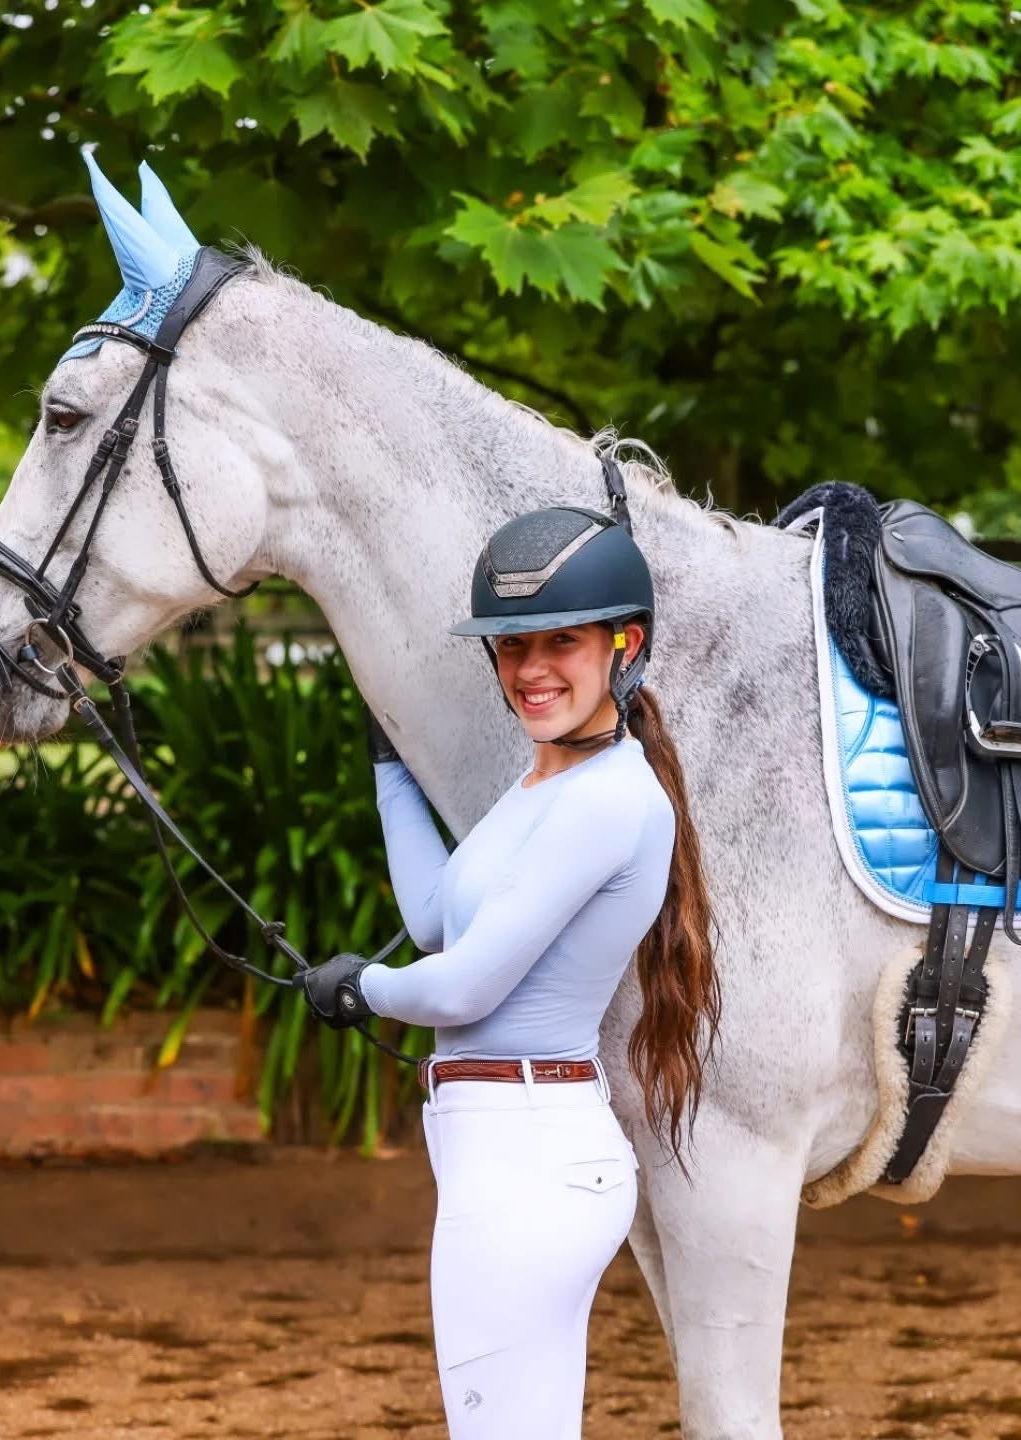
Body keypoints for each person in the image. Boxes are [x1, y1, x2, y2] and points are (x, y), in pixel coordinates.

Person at [297, 503, 722, 1438]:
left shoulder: (606, 801)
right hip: (506, 1149)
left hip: (526, 1161)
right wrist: (391, 771)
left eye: (561, 641)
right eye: (512, 646)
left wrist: (362, 988)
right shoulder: (547, 784)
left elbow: (462, 986)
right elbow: (434, 918)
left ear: (624, 644)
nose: (531, 669)